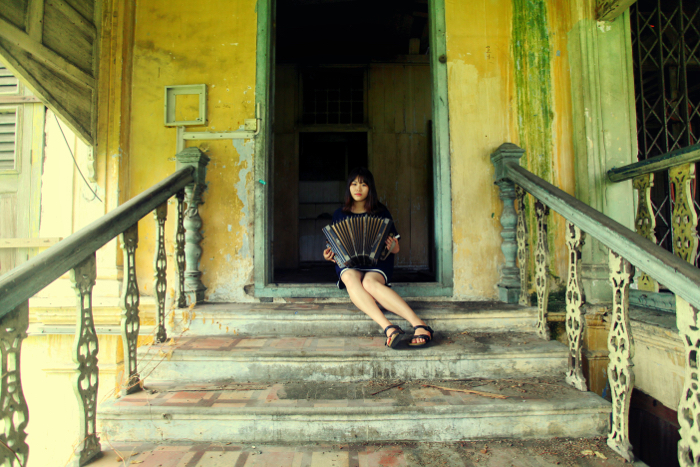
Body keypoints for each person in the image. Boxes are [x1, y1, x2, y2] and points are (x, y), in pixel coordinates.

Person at [323, 167, 434, 349]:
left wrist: (392, 246)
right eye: (354, 184)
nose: (358, 188)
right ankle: (389, 328)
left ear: (370, 188)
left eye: (364, 184)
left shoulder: (381, 211)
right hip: (349, 263)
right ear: (349, 187)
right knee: (350, 278)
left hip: (378, 261)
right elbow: (333, 245)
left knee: (369, 284)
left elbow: (395, 246)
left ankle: (420, 325)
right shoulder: (339, 214)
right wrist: (328, 255)